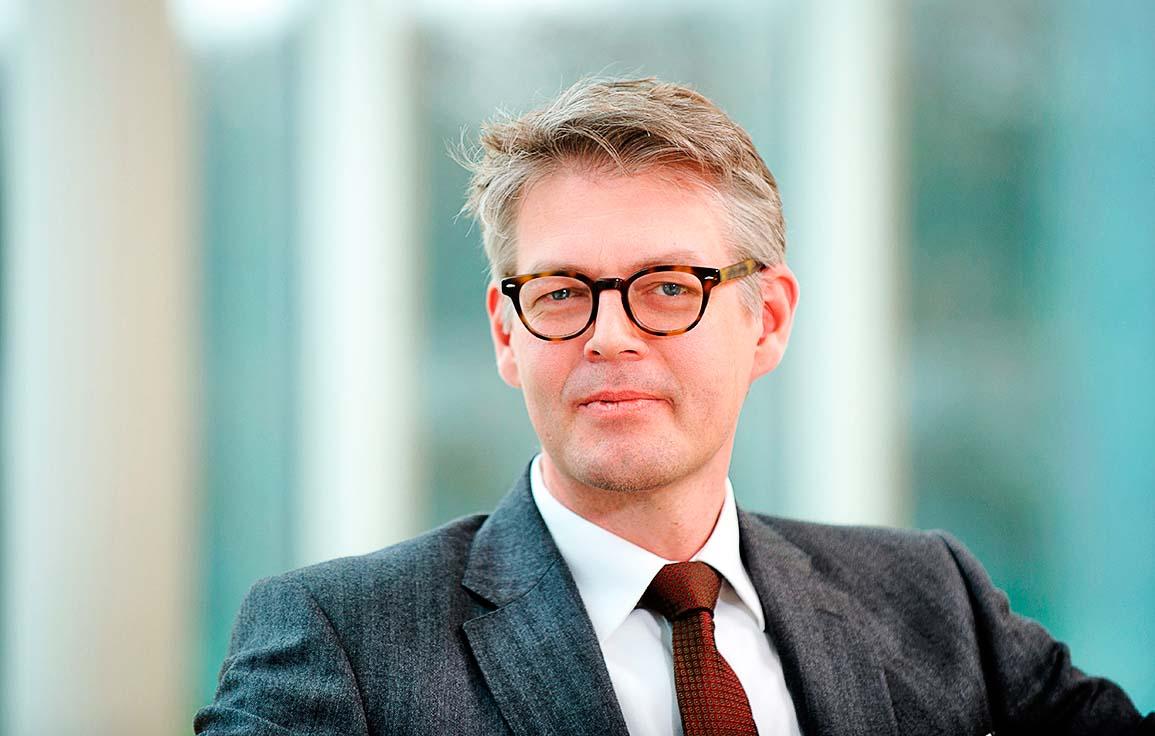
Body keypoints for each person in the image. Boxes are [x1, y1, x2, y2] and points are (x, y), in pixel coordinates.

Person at [194, 78, 1152, 736]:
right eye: (561, 291)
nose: (609, 336)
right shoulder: (342, 640)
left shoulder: (932, 599)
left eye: (665, 287)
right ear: (506, 332)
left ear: (766, 320)